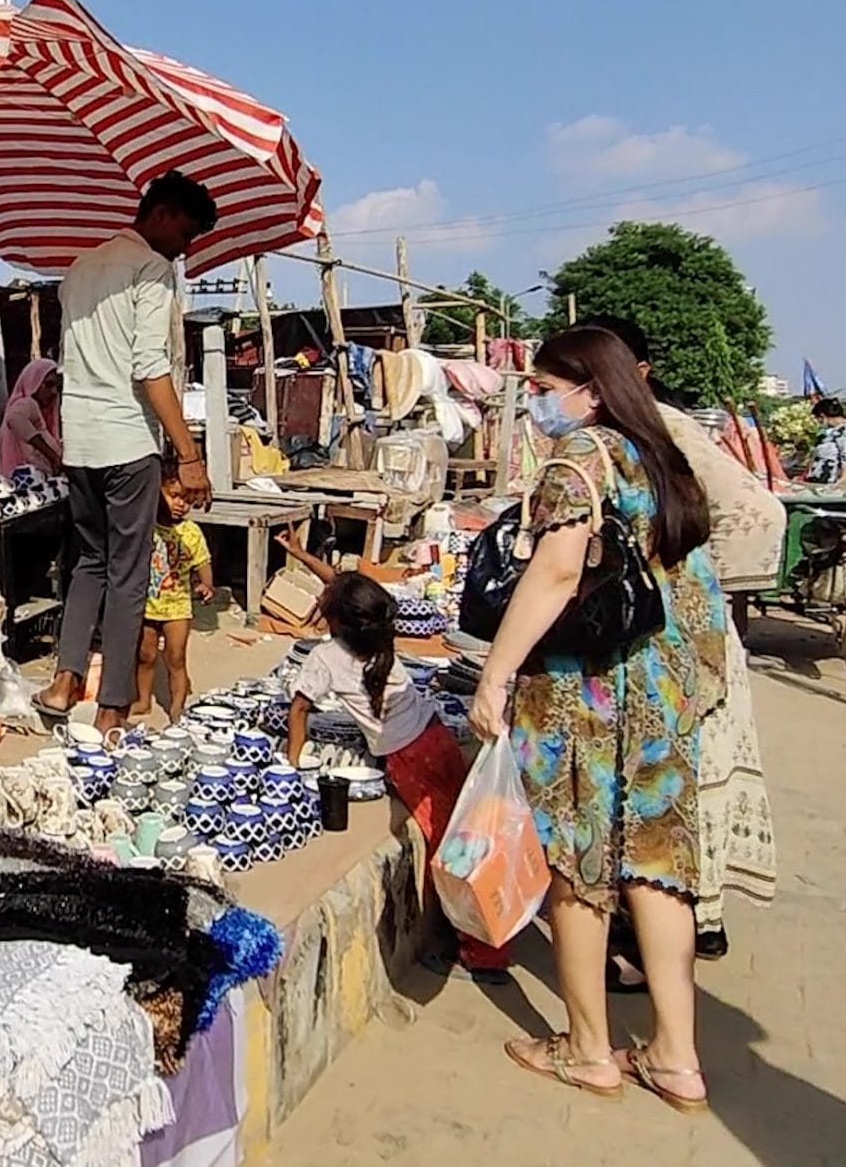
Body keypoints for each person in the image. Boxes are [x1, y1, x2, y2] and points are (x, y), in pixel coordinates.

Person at [471, 325, 726, 1112]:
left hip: (586, 690)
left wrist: (495, 670)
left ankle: (587, 1048)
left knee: (578, 865)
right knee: (656, 863)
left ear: (589, 389)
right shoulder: (660, 457)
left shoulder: (581, 458)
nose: (537, 404)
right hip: (660, 689)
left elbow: (555, 570)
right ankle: (677, 1057)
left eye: (545, 390)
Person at [575, 316, 777, 966]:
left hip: (675, 650)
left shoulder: (662, 428)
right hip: (677, 646)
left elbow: (758, 512)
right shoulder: (631, 435)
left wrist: (685, 591)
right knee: (667, 802)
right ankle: (683, 936)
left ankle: (652, 949)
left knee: (661, 804)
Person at [34, 171, 219, 732]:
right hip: (127, 442)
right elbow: (149, 369)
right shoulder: (151, 269)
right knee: (129, 573)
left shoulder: (81, 269)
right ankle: (114, 703)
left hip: (81, 441)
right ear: (161, 214)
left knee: (89, 561)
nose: (185, 249)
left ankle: (66, 680)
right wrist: (188, 454)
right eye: (186, 233)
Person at [280, 571, 514, 983]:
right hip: (435, 737)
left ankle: (480, 954)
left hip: (410, 757)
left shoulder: (326, 657)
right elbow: (348, 589)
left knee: (450, 848)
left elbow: (298, 709)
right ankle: (480, 931)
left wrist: (292, 764)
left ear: (334, 617)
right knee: (464, 833)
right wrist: (301, 555)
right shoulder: (379, 637)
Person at [134, 477, 213, 721]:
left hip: (178, 605)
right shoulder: (147, 526)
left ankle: (177, 707)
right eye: (174, 496)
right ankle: (143, 700)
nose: (180, 504)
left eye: (186, 500)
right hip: (148, 603)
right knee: (145, 655)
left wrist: (206, 584)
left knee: (175, 658)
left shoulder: (191, 532)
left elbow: (203, 561)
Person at [0, 357, 64, 478]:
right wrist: (52, 457)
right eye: (48, 385)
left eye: (58, 387)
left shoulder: (37, 412)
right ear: (33, 382)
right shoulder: (27, 404)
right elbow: (15, 419)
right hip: (26, 486)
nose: (54, 392)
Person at [805, 398, 846, 484]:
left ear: (823, 416)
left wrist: (842, 482)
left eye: (817, 419)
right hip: (820, 482)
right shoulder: (830, 433)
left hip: (833, 484)